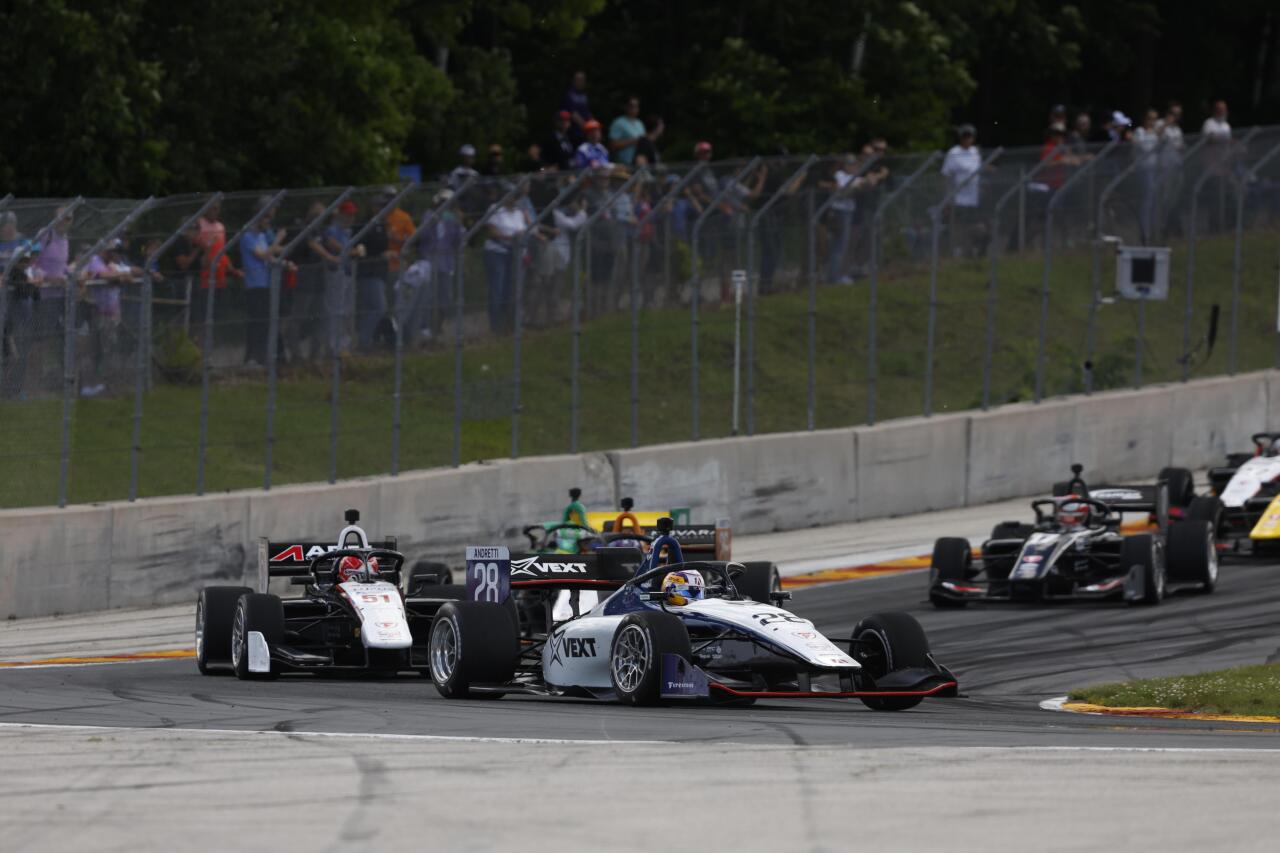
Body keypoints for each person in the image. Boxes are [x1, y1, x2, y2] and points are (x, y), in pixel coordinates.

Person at [239, 200, 286, 366]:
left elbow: (270, 257)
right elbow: (263, 255)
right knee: (256, 322)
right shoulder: (247, 236)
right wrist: (278, 239)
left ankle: (262, 356)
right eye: (265, 217)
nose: (268, 221)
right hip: (254, 285)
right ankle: (251, 357)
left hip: (266, 283)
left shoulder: (261, 236)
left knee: (266, 322)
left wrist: (284, 263)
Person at [483, 187, 529, 333]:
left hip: (515, 253)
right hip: (497, 252)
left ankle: (511, 323)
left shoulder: (518, 213)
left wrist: (518, 237)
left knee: (512, 288)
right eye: (512, 196)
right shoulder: (495, 209)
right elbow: (492, 230)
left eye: (516, 197)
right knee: (498, 288)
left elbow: (523, 229)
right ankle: (496, 325)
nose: (514, 200)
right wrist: (509, 237)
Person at [940, 124, 986, 256]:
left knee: (973, 225)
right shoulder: (954, 153)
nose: (967, 139)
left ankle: (970, 249)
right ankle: (957, 250)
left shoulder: (975, 152)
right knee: (958, 225)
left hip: (973, 198)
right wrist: (947, 196)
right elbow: (946, 175)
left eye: (970, 136)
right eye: (965, 136)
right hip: (958, 197)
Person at [355, 199, 392, 351]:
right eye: (379, 206)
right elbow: (363, 248)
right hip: (369, 272)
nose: (382, 209)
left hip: (380, 272)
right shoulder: (366, 225)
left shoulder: (382, 225)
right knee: (379, 308)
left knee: (370, 308)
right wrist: (380, 254)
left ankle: (367, 340)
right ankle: (364, 341)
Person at [609, 96, 646, 166]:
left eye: (636, 106)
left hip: (641, 161)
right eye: (631, 106)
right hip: (625, 163)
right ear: (626, 107)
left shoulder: (640, 123)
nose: (634, 108)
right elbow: (613, 145)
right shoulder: (618, 123)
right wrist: (634, 141)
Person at [560, 70, 592, 144]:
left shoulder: (584, 95)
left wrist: (592, 125)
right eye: (579, 79)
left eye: (583, 80)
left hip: (585, 132)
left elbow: (587, 112)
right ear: (573, 80)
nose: (582, 82)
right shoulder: (569, 95)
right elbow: (573, 113)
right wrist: (586, 127)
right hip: (573, 132)